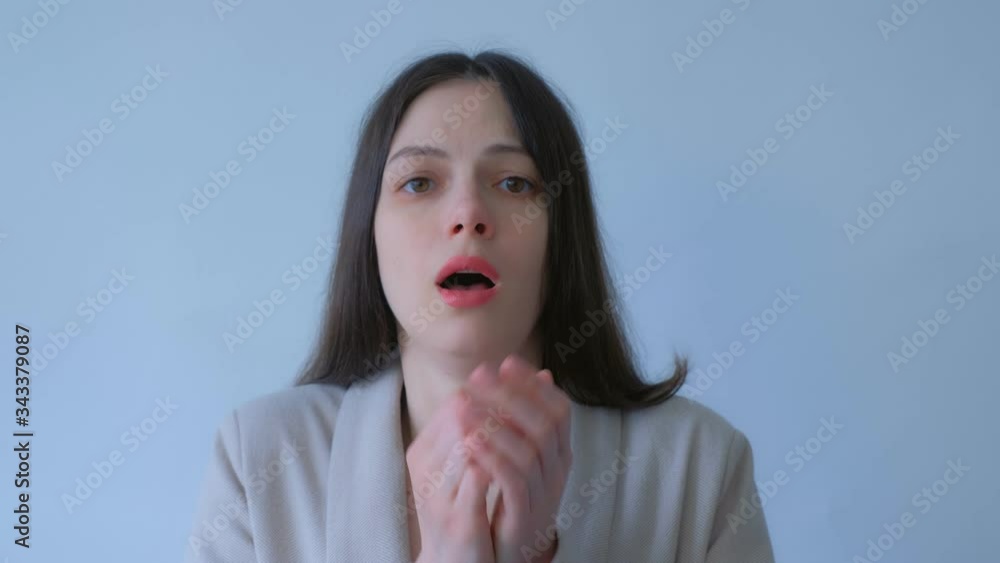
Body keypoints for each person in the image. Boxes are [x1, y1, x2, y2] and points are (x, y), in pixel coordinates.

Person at [183, 49, 776, 563]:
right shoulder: (259, 458)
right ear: (369, 233)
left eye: (515, 183)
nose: (468, 212)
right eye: (419, 182)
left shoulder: (700, 468)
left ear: (560, 232)